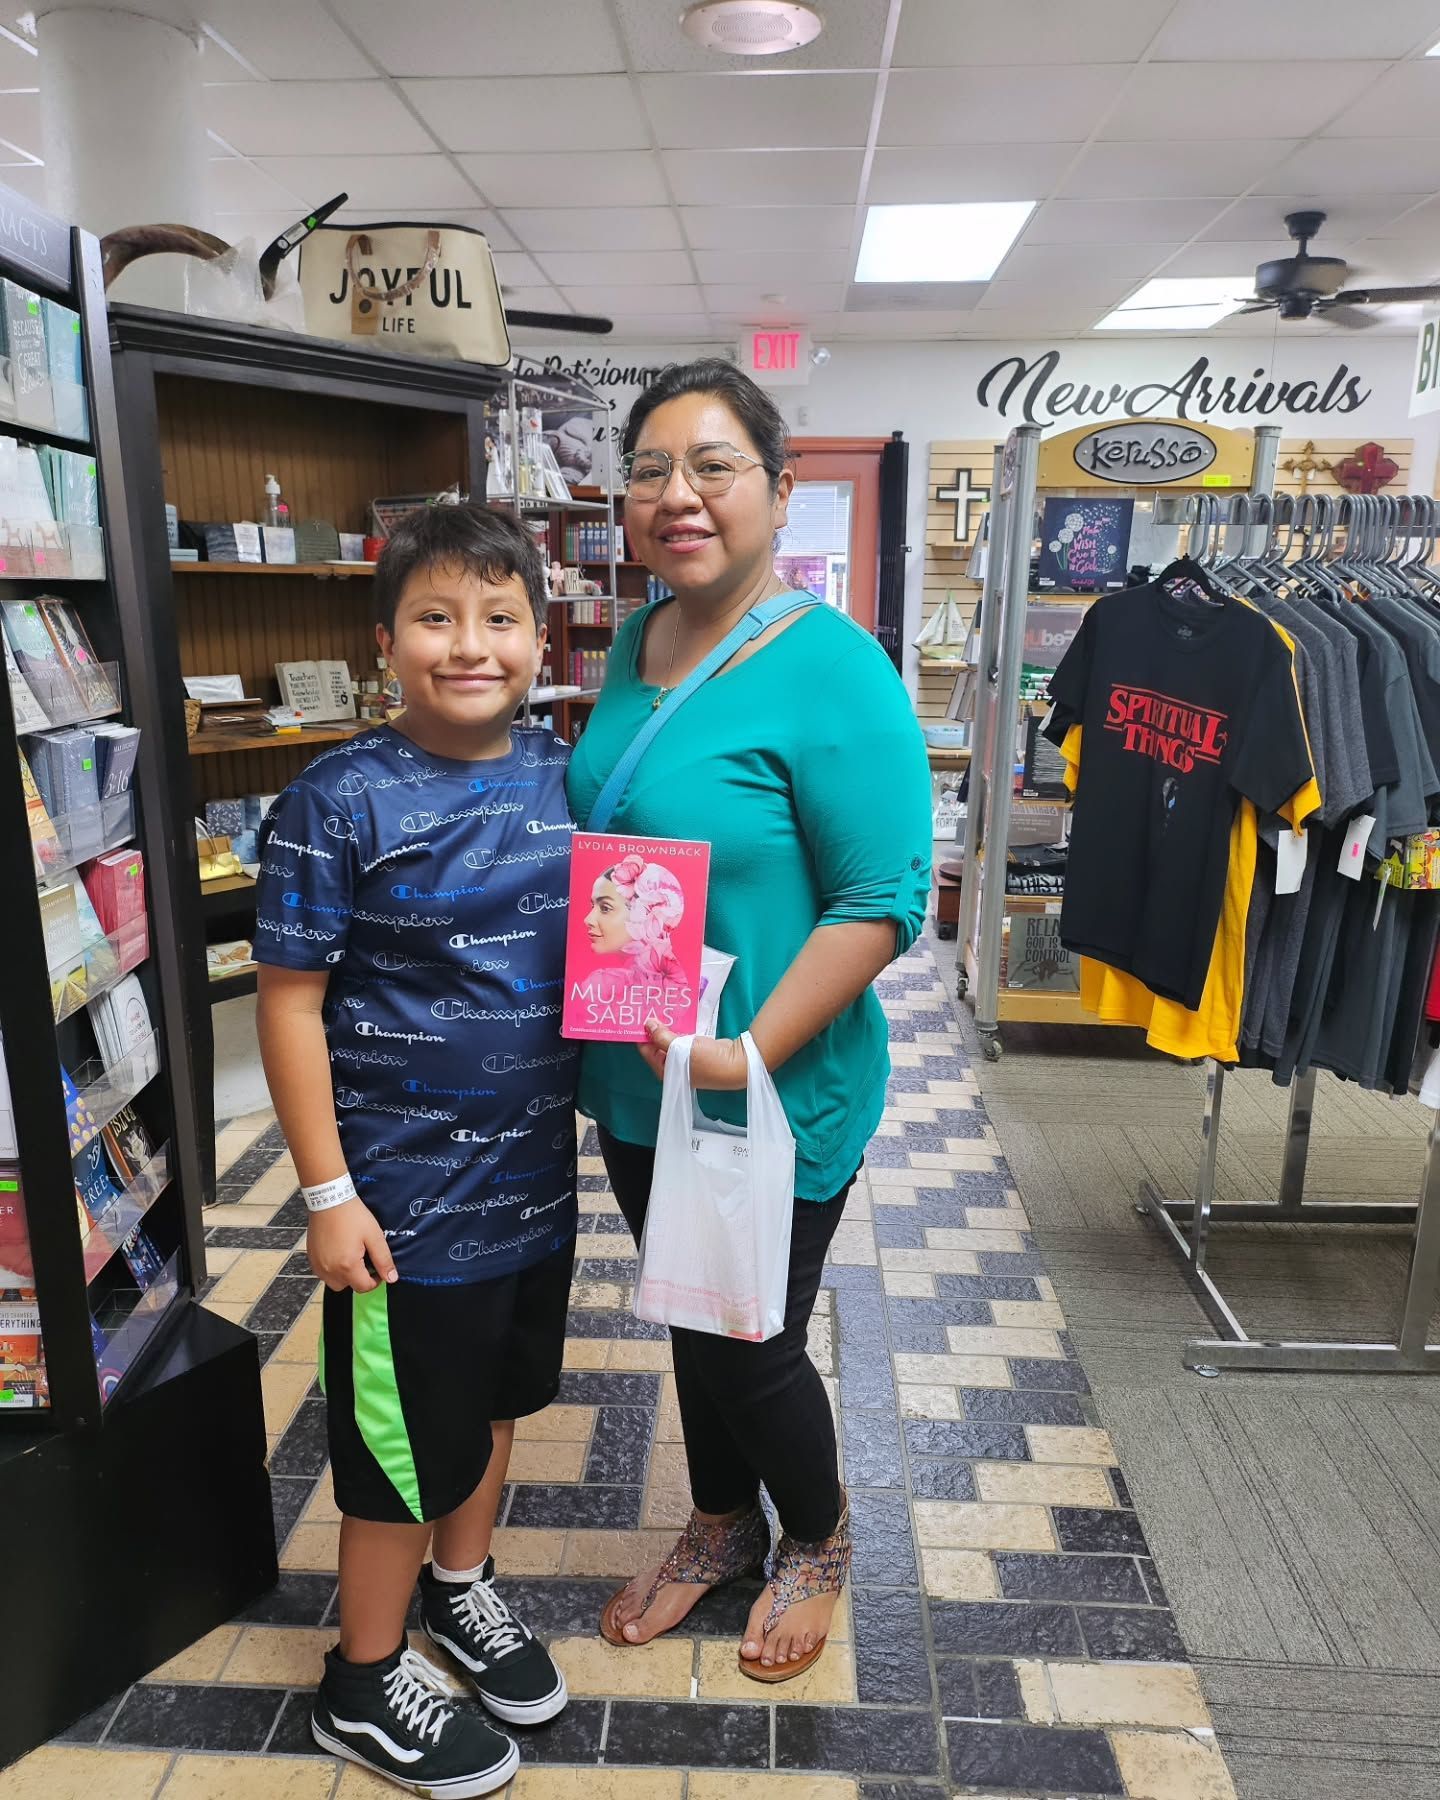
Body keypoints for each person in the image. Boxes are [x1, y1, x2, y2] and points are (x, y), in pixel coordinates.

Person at [566, 359, 931, 1681]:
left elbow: (883, 900)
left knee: (750, 1334)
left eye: (712, 466)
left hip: (760, 1082)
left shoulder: (837, 668)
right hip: (641, 1064)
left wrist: (747, 1050)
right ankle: (720, 1524)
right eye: (652, 471)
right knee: (688, 1310)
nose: (679, 496)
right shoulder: (637, 639)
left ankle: (818, 1538)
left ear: (778, 492)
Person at [254, 503, 577, 1798]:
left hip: (532, 1187)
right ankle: (364, 1675)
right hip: (402, 1210)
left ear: (540, 636)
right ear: (383, 638)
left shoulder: (566, 771)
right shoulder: (334, 800)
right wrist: (327, 1194)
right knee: (396, 1451)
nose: (470, 646)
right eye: (437, 618)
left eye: (500, 619)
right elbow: (286, 1000)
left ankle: (461, 1587)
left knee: (494, 1409)